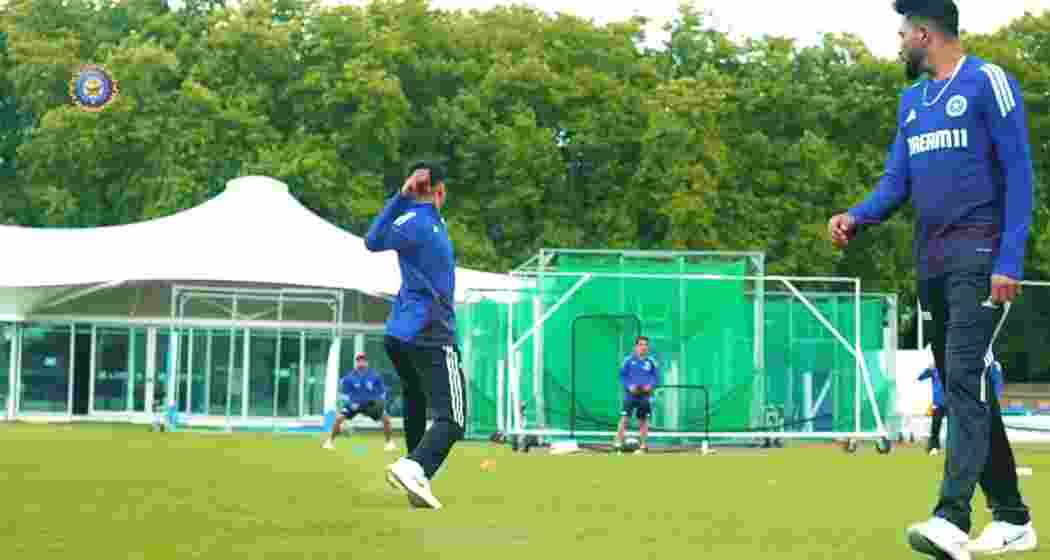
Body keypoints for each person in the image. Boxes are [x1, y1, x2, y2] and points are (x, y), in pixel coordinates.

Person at [828, 1, 1036, 557]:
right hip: (934, 263)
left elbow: (1020, 172)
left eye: (902, 33)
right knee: (967, 387)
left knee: (964, 377)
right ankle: (1014, 518)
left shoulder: (988, 81)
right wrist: (857, 216)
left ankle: (951, 518)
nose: (898, 43)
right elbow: (897, 181)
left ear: (924, 33)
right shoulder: (912, 103)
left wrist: (1009, 260)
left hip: (982, 256)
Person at [365, 161, 466, 510]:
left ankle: (415, 474)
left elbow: (373, 240)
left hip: (400, 334)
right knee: (454, 419)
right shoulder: (428, 224)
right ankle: (414, 467)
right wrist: (410, 194)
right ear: (441, 191)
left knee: (416, 396)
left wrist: (401, 196)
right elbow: (373, 241)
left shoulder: (413, 222)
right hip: (433, 330)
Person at [322, 352, 396, 451]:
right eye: (359, 360)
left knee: (386, 419)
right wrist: (350, 404)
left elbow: (382, 392)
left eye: (363, 360)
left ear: (367, 362)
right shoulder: (349, 377)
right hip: (354, 405)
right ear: (356, 362)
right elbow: (343, 394)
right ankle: (330, 442)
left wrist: (379, 403)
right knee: (339, 419)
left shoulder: (375, 375)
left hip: (370, 404)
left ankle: (389, 443)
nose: (361, 362)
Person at [614, 336, 660, 454]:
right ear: (636, 347)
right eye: (641, 344)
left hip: (644, 396)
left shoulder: (651, 362)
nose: (643, 347)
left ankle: (643, 446)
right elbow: (622, 376)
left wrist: (650, 385)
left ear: (648, 347)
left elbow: (656, 377)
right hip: (630, 395)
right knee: (624, 418)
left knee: (643, 421)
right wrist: (629, 386)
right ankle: (617, 443)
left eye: (645, 345)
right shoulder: (628, 360)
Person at [918, 361, 945, 455]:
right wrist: (929, 368)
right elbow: (920, 377)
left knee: (956, 427)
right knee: (935, 427)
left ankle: (956, 449)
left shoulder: (951, 367)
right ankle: (934, 447)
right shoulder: (934, 369)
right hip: (938, 403)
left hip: (952, 402)